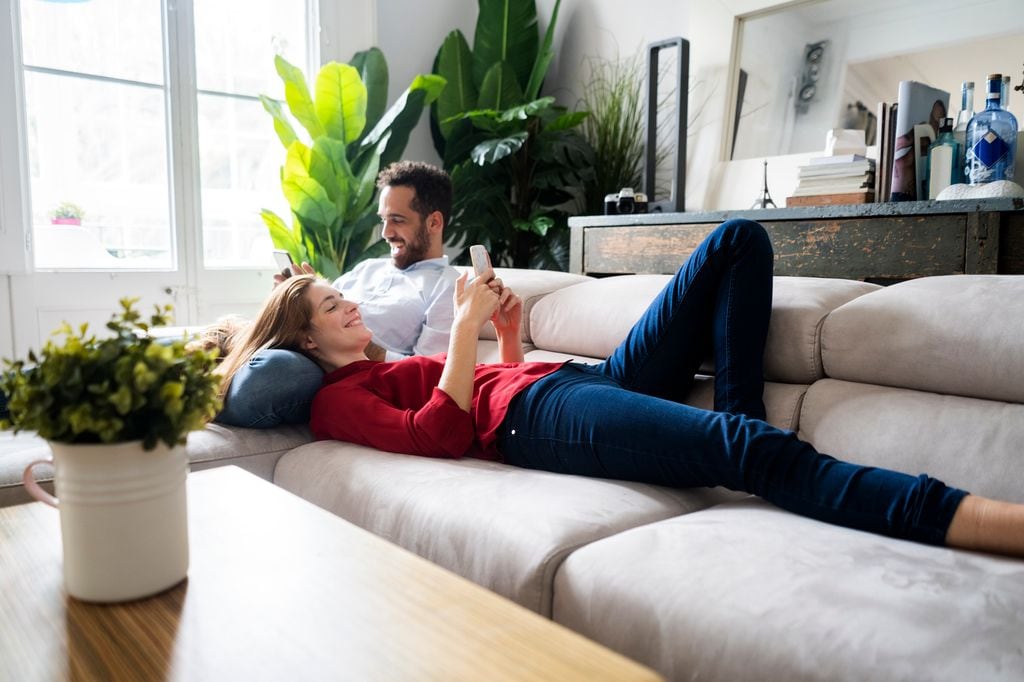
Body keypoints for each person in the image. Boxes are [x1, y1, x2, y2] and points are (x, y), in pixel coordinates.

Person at [221, 219, 1024, 558]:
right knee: (750, 450)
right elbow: (441, 434)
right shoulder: (333, 400)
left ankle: (737, 441)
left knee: (738, 242)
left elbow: (491, 382)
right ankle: (980, 520)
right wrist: (464, 332)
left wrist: (503, 330)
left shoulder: (375, 362)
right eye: (333, 305)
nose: (350, 304)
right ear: (302, 339)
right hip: (542, 422)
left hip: (568, 381)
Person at [214, 160, 460, 428]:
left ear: (434, 222)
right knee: (189, 342)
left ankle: (202, 395)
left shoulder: (448, 287)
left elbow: (431, 373)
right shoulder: (367, 268)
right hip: (293, 343)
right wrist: (293, 301)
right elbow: (318, 312)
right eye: (383, 220)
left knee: (277, 372)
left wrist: (358, 344)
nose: (386, 233)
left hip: (332, 372)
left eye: (397, 221)